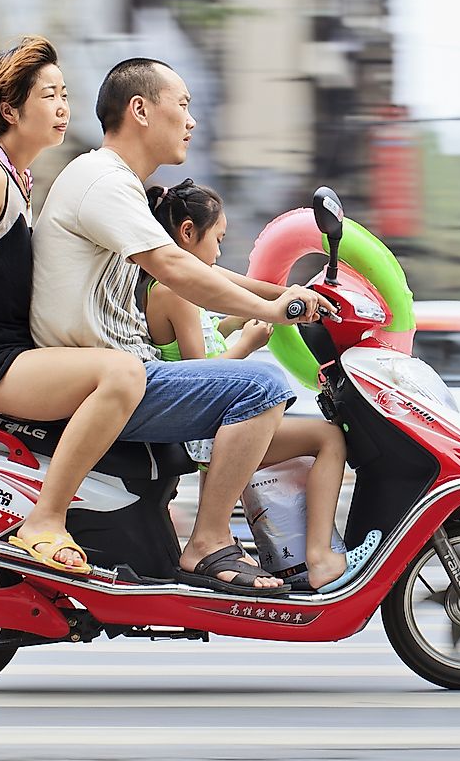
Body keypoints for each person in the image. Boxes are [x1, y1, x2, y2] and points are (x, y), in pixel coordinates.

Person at [30, 57, 325, 597]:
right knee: (262, 387)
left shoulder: (118, 184)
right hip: (109, 379)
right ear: (140, 110)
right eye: (183, 105)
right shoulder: (103, 182)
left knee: (255, 385)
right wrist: (274, 311)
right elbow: (178, 269)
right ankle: (209, 541)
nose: (191, 121)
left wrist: (285, 295)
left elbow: (198, 267)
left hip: (122, 371)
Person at [0, 36, 149, 575]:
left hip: (14, 350)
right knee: (120, 376)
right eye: (48, 95)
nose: (62, 107)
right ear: (11, 110)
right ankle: (44, 521)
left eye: (64, 93)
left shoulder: (19, 178)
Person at [141, 178, 374, 592]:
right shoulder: (174, 289)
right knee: (328, 439)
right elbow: (200, 380)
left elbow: (246, 293)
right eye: (218, 239)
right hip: (205, 429)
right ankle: (319, 558)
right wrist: (246, 343)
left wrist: (299, 298)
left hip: (213, 420)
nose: (218, 252)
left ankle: (303, 555)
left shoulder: (187, 279)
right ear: (188, 233)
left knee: (322, 436)